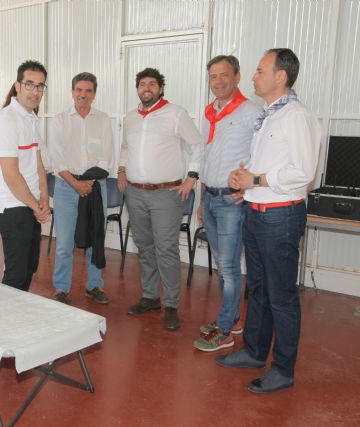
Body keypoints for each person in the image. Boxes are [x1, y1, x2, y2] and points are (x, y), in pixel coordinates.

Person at [218, 48, 321, 394]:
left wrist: (256, 180)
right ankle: (254, 351)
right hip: (257, 212)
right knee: (258, 290)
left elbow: (303, 172)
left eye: (260, 71)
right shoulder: (269, 115)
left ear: (281, 76)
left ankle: (283, 369)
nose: (253, 76)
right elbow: (268, 166)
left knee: (281, 296)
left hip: (281, 216)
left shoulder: (296, 116)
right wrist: (244, 180)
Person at [118, 68, 202, 330]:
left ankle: (172, 305)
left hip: (166, 194)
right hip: (135, 192)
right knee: (144, 246)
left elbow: (198, 145)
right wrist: (121, 170)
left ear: (161, 88)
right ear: (137, 88)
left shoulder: (176, 114)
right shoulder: (131, 117)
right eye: (142, 84)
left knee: (166, 249)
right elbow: (125, 148)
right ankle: (150, 296)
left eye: (152, 84)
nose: (147, 88)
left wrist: (192, 177)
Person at [192, 56, 262, 352]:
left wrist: (250, 189)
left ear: (237, 77)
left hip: (232, 202)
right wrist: (202, 198)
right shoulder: (211, 112)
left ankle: (225, 331)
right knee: (223, 266)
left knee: (229, 267)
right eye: (213, 76)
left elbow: (263, 153)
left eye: (224, 75)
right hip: (210, 197)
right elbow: (207, 157)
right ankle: (232, 319)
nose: (218, 81)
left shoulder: (251, 112)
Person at [47, 72, 115, 304]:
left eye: (88, 91)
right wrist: (76, 184)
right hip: (66, 187)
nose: (83, 95)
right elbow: (57, 159)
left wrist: (88, 183)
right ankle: (61, 288)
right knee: (65, 243)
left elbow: (107, 157)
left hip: (95, 187)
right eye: (79, 90)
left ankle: (94, 285)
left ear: (94, 94)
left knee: (96, 237)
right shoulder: (59, 120)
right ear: (72, 92)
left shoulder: (103, 120)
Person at [0, 60, 51, 291]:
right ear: (18, 86)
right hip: (12, 207)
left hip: (30, 205)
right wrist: (37, 206)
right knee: (16, 275)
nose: (35, 91)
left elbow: (38, 164)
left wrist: (44, 199)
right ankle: (5, 315)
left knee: (29, 268)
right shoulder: (7, 121)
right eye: (30, 84)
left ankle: (19, 312)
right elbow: (11, 174)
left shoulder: (30, 118)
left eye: (40, 86)